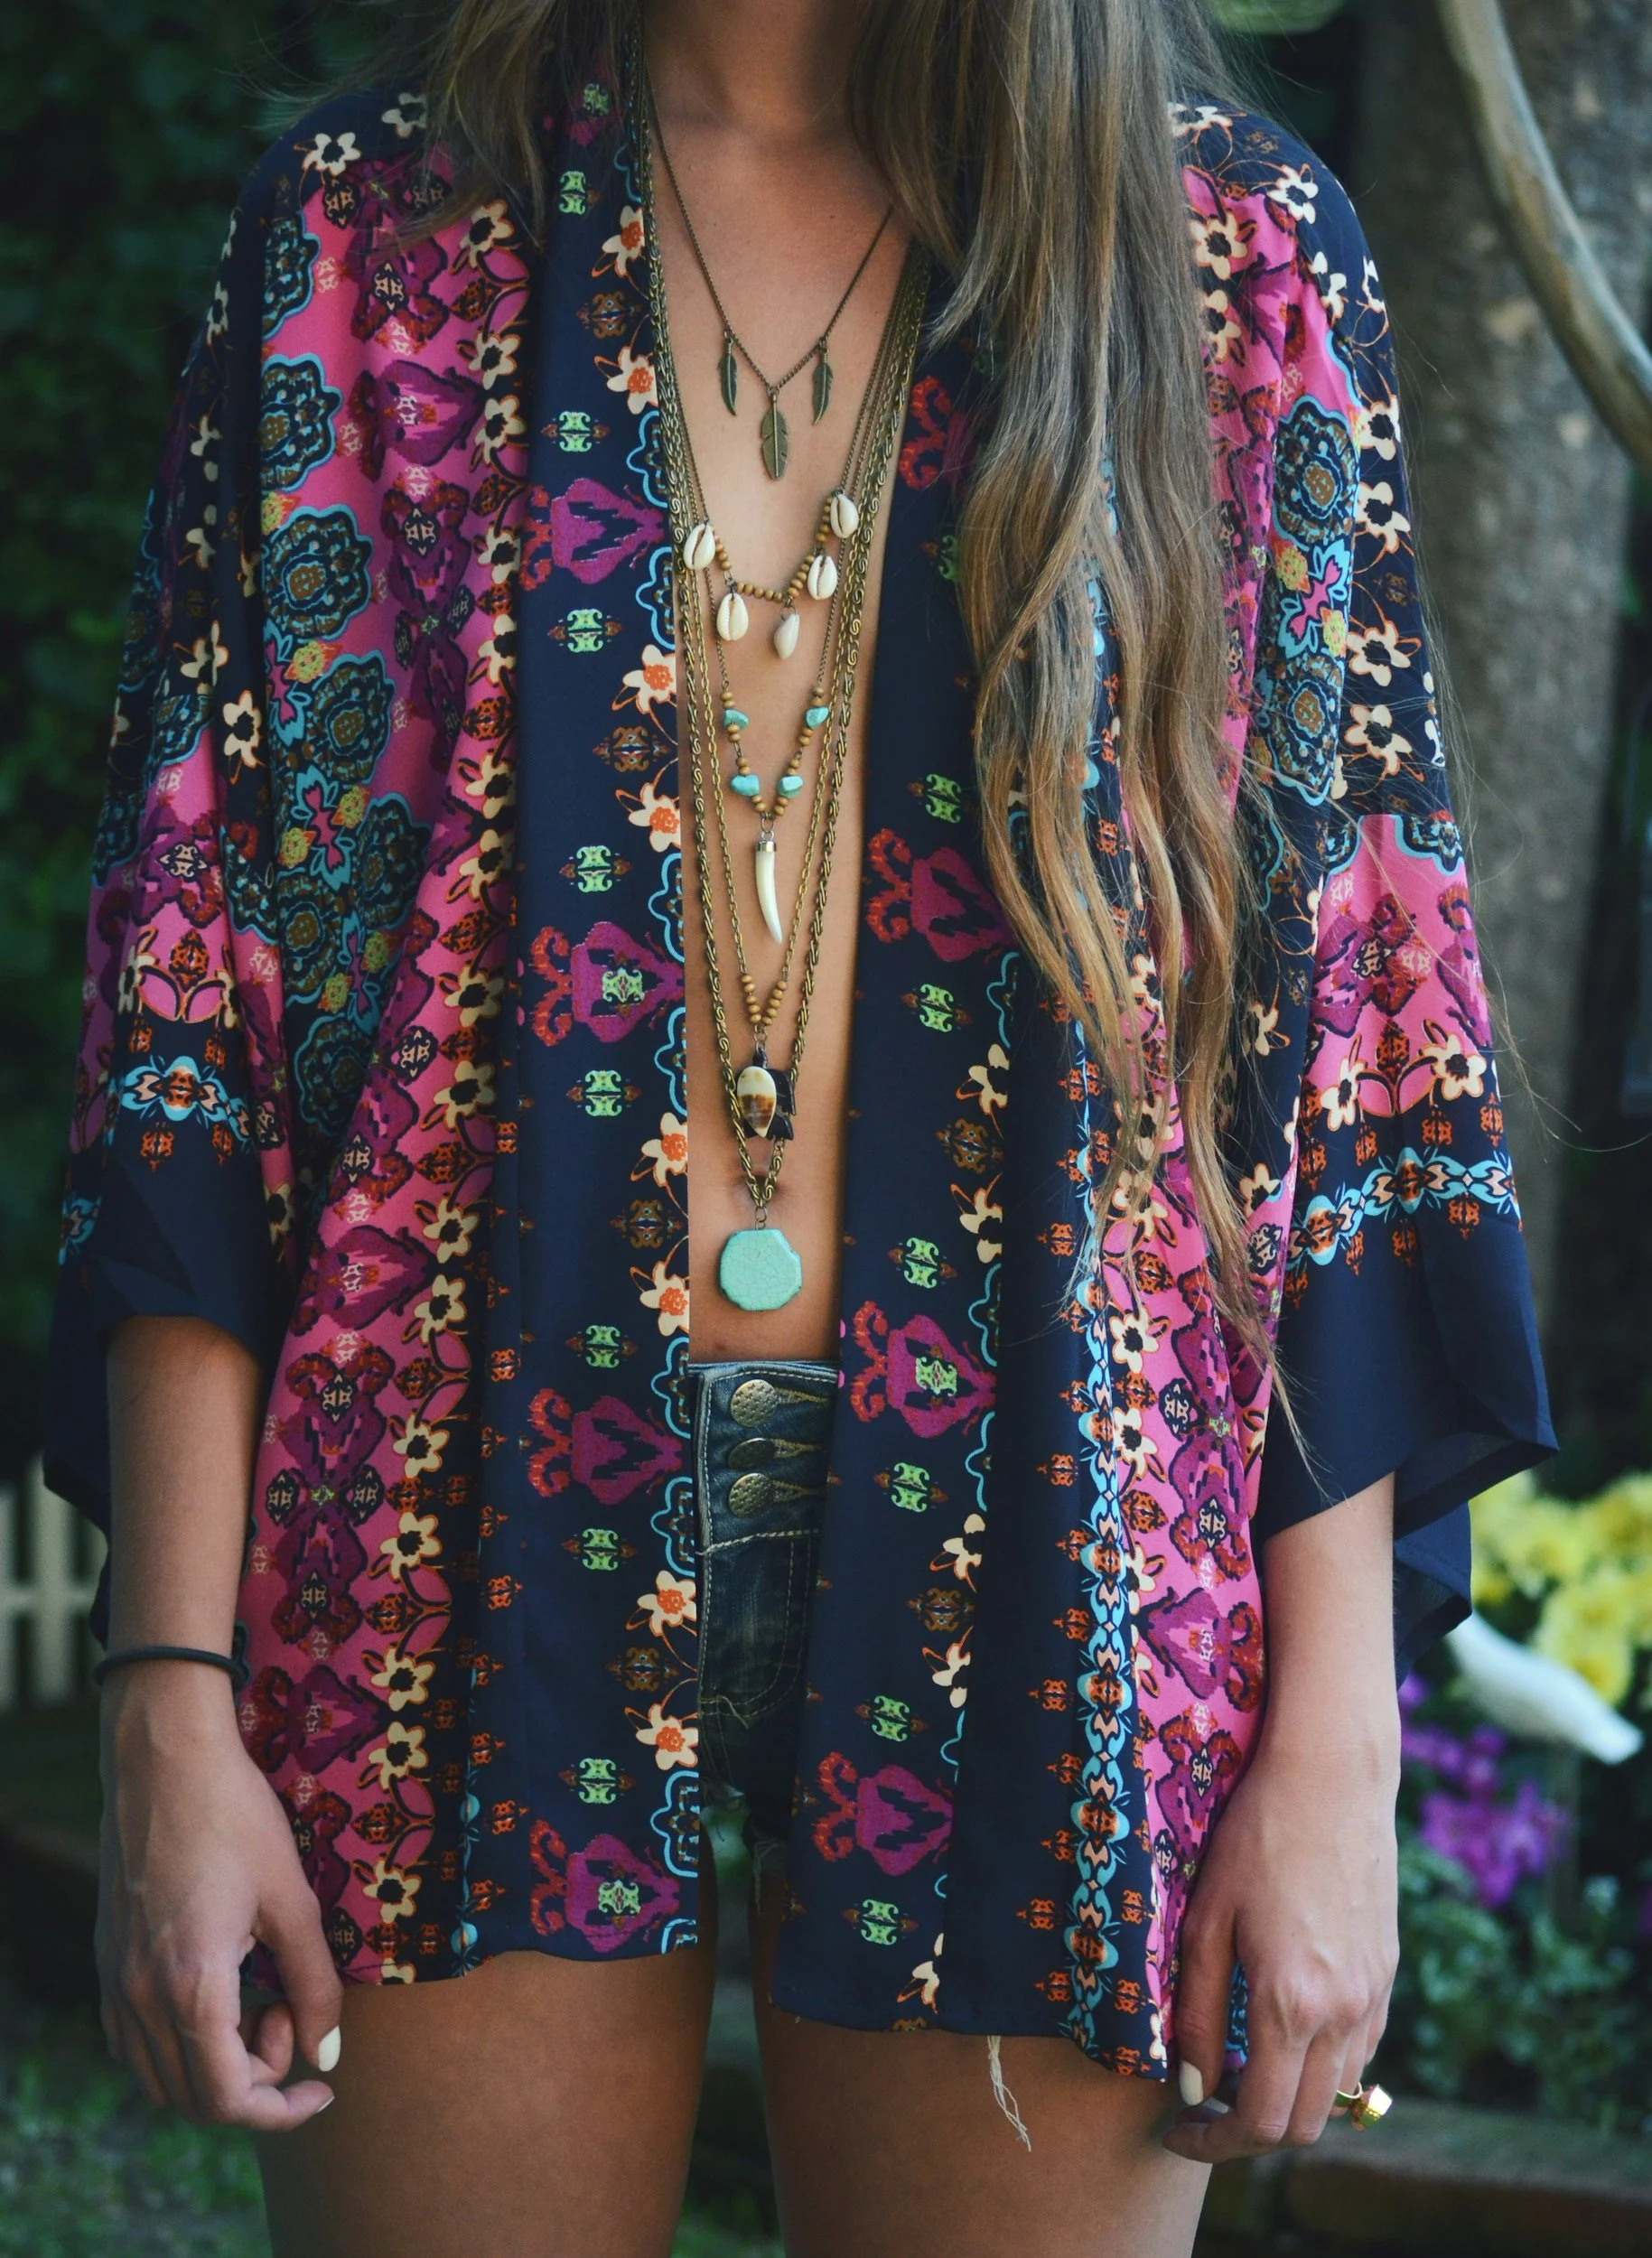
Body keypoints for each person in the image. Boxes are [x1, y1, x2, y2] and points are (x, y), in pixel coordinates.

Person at [47, 2, 1554, 2253]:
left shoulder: (1223, 254)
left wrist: (1331, 1746)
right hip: (454, 1523)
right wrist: (168, 1692)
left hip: (1056, 1530)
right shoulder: (370, 234)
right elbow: (205, 999)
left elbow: (1333, 1040)